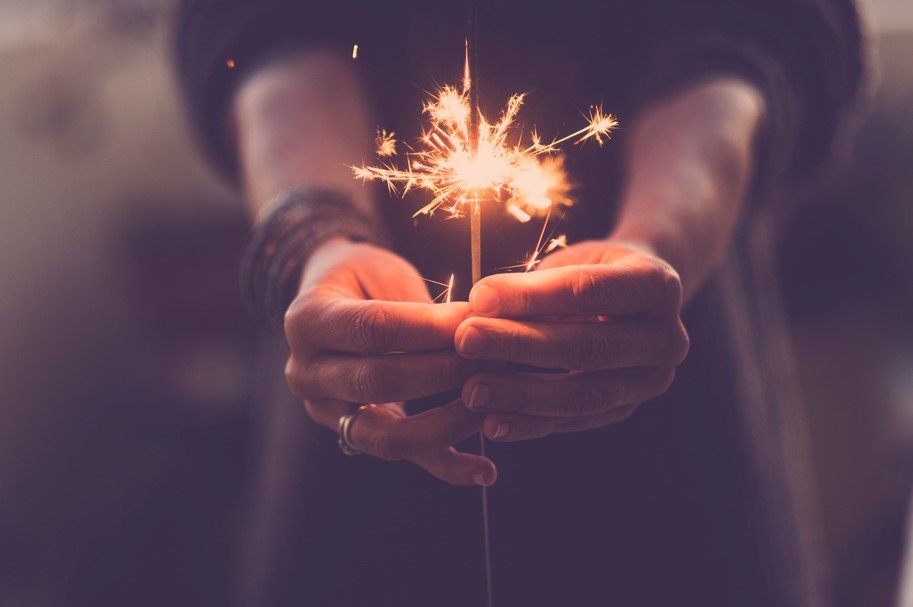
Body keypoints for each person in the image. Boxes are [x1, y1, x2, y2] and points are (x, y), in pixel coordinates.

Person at [176, 1, 865, 604]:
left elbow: (760, 22)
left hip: (672, 420)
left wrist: (658, 239)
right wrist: (317, 235)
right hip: (359, 412)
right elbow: (260, 21)